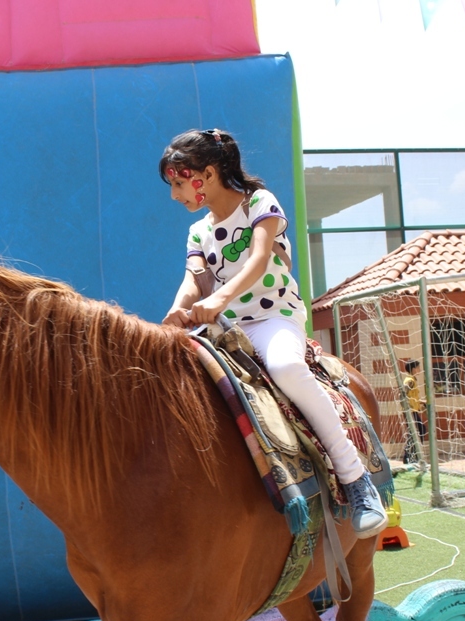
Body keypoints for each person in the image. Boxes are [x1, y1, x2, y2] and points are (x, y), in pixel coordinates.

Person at [158, 128, 388, 538]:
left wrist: (219, 298)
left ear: (207, 174)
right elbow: (194, 279)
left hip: (272, 318)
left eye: (179, 183)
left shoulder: (258, 204)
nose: (175, 195)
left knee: (284, 367)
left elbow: (260, 259)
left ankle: (356, 480)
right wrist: (178, 309)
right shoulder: (198, 231)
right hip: (225, 327)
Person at [402, 359, 427, 463]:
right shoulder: (410, 381)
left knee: (416, 431)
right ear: (413, 369)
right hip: (410, 411)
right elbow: (403, 393)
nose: (419, 369)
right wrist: (406, 407)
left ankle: (410, 455)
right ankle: (412, 455)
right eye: (418, 367)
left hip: (414, 410)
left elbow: (412, 397)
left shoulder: (413, 380)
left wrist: (422, 402)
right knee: (420, 430)